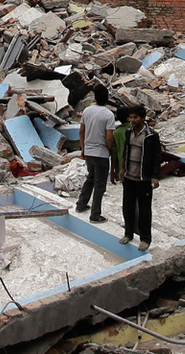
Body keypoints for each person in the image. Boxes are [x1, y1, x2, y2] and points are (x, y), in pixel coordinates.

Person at [112, 105, 162, 250]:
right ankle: (128, 233)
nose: (132, 120)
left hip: (143, 179)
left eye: (135, 117)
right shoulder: (128, 132)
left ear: (142, 118)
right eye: (130, 117)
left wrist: (155, 176)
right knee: (127, 207)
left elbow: (156, 156)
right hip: (129, 177)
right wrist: (122, 169)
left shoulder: (151, 135)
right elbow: (126, 152)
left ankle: (145, 238)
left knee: (144, 210)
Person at [75, 84, 115, 222]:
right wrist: (110, 150)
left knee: (90, 178)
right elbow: (109, 137)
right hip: (101, 153)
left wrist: (83, 148)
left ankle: (81, 203)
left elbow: (81, 131)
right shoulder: (108, 115)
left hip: (89, 152)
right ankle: (95, 214)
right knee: (100, 185)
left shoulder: (87, 111)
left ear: (95, 97)